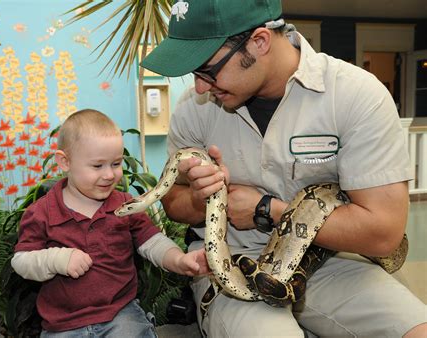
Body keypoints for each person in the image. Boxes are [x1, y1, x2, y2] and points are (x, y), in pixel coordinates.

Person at [140, 0, 427, 337]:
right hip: (233, 262)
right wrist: (202, 197)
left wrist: (266, 210)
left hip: (328, 260)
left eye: (206, 69)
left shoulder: (356, 96)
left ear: (260, 42)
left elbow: (383, 233)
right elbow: (173, 204)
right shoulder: (195, 108)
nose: (200, 87)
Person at [11, 109, 210, 337]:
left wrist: (179, 260)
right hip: (63, 325)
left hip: (120, 315)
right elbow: (21, 261)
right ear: (65, 162)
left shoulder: (125, 205)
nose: (109, 175)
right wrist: (57, 258)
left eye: (116, 164)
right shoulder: (42, 212)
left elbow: (153, 242)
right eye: (98, 166)